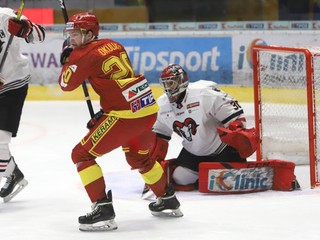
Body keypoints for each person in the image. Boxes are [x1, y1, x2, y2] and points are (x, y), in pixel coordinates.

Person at [58, 12, 183, 232]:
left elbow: (66, 84)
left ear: (89, 34)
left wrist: (67, 60)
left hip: (125, 115)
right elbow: (117, 81)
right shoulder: (113, 44)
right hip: (146, 109)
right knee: (139, 158)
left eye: (75, 34)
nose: (71, 39)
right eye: (70, 34)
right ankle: (167, 199)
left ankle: (103, 210)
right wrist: (104, 113)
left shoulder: (82, 54)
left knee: (81, 154)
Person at [142, 63, 257, 198]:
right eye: (165, 84)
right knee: (180, 178)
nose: (168, 88)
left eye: (171, 84)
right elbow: (159, 139)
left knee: (227, 181)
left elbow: (233, 112)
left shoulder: (203, 93)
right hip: (194, 151)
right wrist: (152, 166)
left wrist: (237, 129)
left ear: (182, 81)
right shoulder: (162, 105)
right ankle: (202, 176)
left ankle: (212, 171)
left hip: (222, 147)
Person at [0, 7, 45, 202]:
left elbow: (40, 34)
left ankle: (11, 173)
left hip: (13, 83)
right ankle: (13, 174)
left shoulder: (6, 16)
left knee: (0, 139)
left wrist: (25, 29)